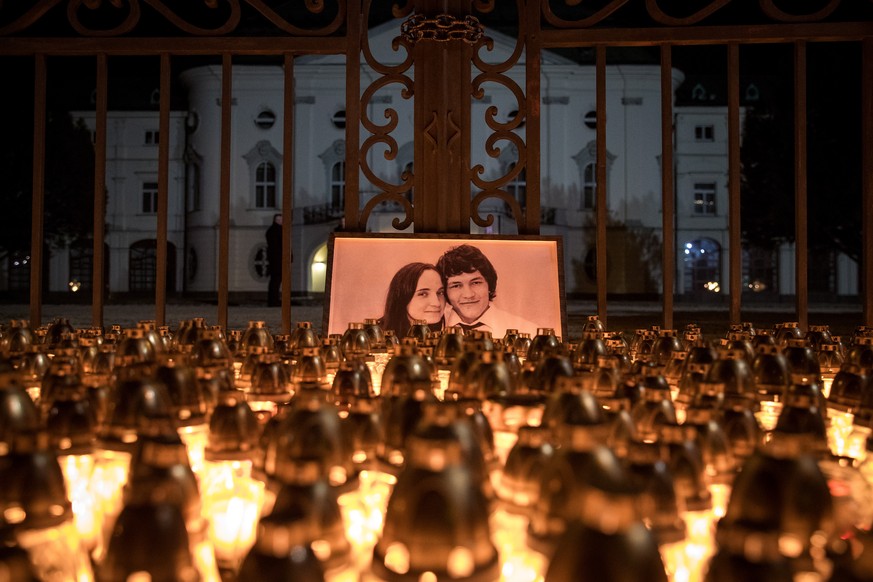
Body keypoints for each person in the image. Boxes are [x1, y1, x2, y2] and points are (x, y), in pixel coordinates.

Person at [435, 244, 537, 337]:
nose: (468, 294)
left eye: (476, 283)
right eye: (456, 286)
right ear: (445, 292)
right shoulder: (432, 329)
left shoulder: (528, 331)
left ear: (489, 284)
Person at [379, 262, 446, 339]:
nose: (437, 303)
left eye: (440, 292)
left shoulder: (447, 335)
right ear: (402, 298)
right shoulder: (374, 337)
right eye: (423, 294)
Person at [265, 214, 283, 306]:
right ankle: (273, 301)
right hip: (277, 260)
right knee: (276, 281)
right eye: (279, 219)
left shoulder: (272, 230)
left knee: (275, 281)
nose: (281, 221)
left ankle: (273, 300)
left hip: (275, 259)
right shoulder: (277, 231)